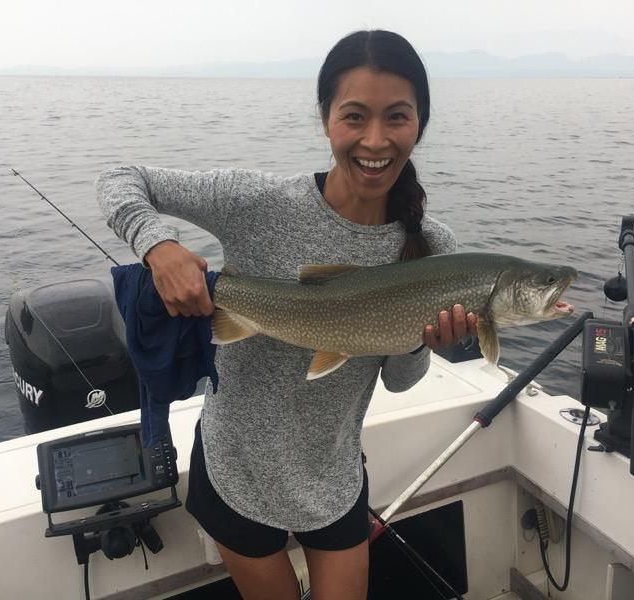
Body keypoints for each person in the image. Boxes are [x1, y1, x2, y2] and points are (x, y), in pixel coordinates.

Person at [97, 29, 477, 600]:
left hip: (332, 474)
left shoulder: (431, 244)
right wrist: (159, 247)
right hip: (236, 466)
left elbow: (399, 381)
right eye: (354, 116)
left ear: (419, 122)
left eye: (396, 117)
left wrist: (425, 339)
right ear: (326, 118)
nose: (375, 140)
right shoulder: (260, 203)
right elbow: (121, 178)